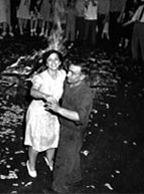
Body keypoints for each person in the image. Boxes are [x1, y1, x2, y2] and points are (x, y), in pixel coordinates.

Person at [44, 58, 93, 193]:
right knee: (72, 156)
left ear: (82, 76)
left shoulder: (85, 94)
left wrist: (58, 109)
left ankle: (58, 188)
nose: (68, 75)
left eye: (73, 73)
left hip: (74, 131)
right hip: (64, 125)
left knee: (62, 160)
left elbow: (80, 117)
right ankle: (75, 179)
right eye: (68, 71)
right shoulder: (69, 83)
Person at [24, 50, 66, 178]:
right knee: (36, 140)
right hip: (38, 113)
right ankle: (31, 164)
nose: (53, 62)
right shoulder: (40, 77)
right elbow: (33, 91)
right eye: (50, 60)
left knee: (53, 138)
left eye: (56, 59)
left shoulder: (63, 74)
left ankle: (49, 160)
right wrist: (45, 95)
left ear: (60, 62)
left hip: (54, 112)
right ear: (46, 63)